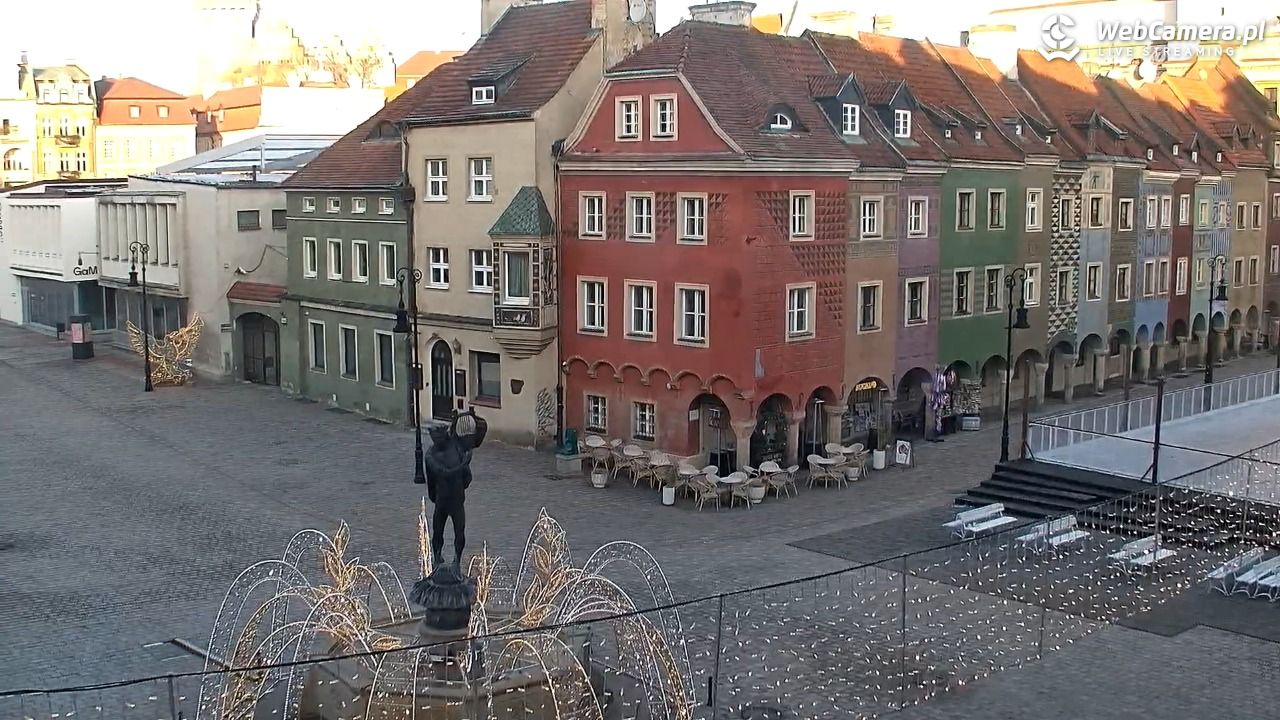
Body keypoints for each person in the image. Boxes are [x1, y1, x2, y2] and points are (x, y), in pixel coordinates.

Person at [424, 411, 487, 569]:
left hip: (452, 499)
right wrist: (463, 465)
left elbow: (467, 477)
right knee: (439, 531)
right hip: (446, 499)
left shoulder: (447, 450)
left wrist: (463, 473)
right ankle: (438, 558)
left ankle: (456, 561)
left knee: (457, 532)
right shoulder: (431, 455)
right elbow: (441, 473)